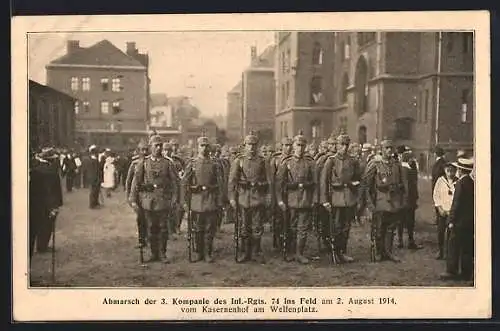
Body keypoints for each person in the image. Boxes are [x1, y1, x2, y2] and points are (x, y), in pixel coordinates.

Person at [129, 135, 179, 263]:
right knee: (151, 228)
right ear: (151, 147)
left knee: (163, 228)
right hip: (148, 201)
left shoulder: (168, 163)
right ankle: (153, 253)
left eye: (160, 146)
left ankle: (162, 254)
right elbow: (136, 182)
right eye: (156, 145)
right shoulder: (144, 163)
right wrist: (133, 199)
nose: (158, 148)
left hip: (163, 200)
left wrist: (174, 198)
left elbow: (175, 182)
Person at [361, 139, 405, 263]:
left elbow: (401, 183)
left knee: (391, 228)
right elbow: (367, 185)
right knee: (379, 228)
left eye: (391, 148)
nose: (389, 150)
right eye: (386, 148)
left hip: (393, 201)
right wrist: (369, 204)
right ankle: (378, 252)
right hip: (380, 201)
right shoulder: (375, 164)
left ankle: (388, 252)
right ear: (381, 149)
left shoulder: (396, 164)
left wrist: (399, 195)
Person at [181, 135, 224, 262]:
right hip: (197, 201)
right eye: (202, 145)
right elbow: (184, 183)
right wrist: (184, 201)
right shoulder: (192, 164)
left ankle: (208, 253)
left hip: (211, 200)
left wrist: (220, 200)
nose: (204, 148)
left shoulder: (215, 164)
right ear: (197, 147)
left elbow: (220, 184)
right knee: (198, 228)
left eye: (206, 146)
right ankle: (199, 252)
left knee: (210, 229)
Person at [228, 131, 269, 263]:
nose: (251, 147)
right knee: (244, 227)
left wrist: (266, 193)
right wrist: (232, 198)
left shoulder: (262, 161)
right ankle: (245, 252)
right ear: (244, 145)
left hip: (257, 198)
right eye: (249, 144)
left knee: (257, 227)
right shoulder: (239, 161)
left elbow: (268, 181)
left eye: (254, 144)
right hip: (243, 198)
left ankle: (256, 251)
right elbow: (232, 181)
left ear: (257, 146)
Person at [275, 130, 316, 264]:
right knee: (290, 227)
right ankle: (290, 251)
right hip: (290, 200)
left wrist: (313, 199)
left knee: (302, 228)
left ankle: (300, 253)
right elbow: (279, 184)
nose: (300, 148)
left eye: (303, 145)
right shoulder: (286, 163)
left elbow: (315, 183)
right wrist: (280, 200)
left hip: (305, 199)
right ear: (293, 146)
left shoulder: (310, 163)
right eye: (298, 145)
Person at [320, 133, 362, 263]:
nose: (344, 148)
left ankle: (342, 251)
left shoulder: (353, 161)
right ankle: (335, 251)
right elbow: (324, 182)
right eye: (341, 145)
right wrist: (325, 200)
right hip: (335, 198)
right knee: (336, 226)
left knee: (346, 226)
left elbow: (358, 178)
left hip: (349, 197)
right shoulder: (331, 161)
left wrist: (354, 185)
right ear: (337, 146)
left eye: (346, 145)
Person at [440, 158, 474, 282]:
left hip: (459, 221)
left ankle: (451, 271)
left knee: (453, 245)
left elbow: (456, 203)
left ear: (460, 170)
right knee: (467, 248)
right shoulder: (472, 182)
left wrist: (451, 220)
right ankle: (466, 273)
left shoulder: (461, 183)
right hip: (470, 221)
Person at [29, 147, 63, 258]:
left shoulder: (37, 168)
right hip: (48, 202)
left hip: (38, 203)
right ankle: (42, 245)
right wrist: (54, 205)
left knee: (41, 223)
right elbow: (50, 190)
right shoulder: (49, 171)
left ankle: (40, 244)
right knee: (47, 224)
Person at [397, 151, 423, 250]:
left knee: (400, 220)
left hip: (401, 199)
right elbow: (409, 185)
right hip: (408, 200)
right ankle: (410, 241)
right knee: (410, 221)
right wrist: (412, 199)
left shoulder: (400, 168)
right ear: (409, 159)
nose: (413, 160)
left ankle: (400, 241)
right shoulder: (408, 170)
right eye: (412, 158)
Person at [126, 141, 149, 248]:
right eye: (142, 150)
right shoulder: (134, 164)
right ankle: (141, 240)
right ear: (138, 151)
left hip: (149, 195)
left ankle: (150, 239)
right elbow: (129, 181)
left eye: (146, 149)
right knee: (140, 218)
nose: (144, 152)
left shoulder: (151, 163)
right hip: (138, 196)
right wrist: (129, 197)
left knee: (151, 219)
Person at [433, 162, 457, 260]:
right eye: (448, 171)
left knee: (451, 233)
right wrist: (439, 208)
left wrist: (453, 211)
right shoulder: (440, 181)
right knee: (441, 232)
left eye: (452, 171)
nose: (450, 173)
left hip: (452, 212)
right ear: (445, 171)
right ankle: (440, 250)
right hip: (442, 211)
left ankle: (449, 252)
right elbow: (436, 195)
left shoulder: (458, 181)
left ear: (455, 171)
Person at [87, 145, 102, 209]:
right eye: (96, 152)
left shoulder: (95, 159)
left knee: (97, 190)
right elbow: (93, 171)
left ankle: (96, 202)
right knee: (93, 191)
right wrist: (95, 178)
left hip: (96, 177)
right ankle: (92, 204)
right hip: (93, 178)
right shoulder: (92, 160)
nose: (97, 153)